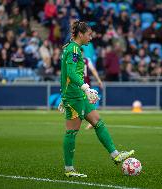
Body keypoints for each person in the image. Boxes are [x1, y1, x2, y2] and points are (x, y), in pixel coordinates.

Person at [58, 20, 135, 178]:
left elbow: (65, 73)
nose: (91, 38)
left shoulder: (74, 48)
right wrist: (84, 87)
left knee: (97, 121)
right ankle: (69, 169)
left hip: (77, 95)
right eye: (89, 34)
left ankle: (115, 154)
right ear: (81, 34)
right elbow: (71, 74)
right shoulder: (73, 50)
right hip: (74, 97)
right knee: (71, 132)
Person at [81, 48, 104, 130]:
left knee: (85, 104)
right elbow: (93, 70)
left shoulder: (75, 61)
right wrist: (99, 80)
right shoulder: (87, 60)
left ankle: (93, 120)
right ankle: (93, 120)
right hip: (85, 85)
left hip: (81, 85)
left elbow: (93, 70)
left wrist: (99, 80)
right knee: (86, 103)